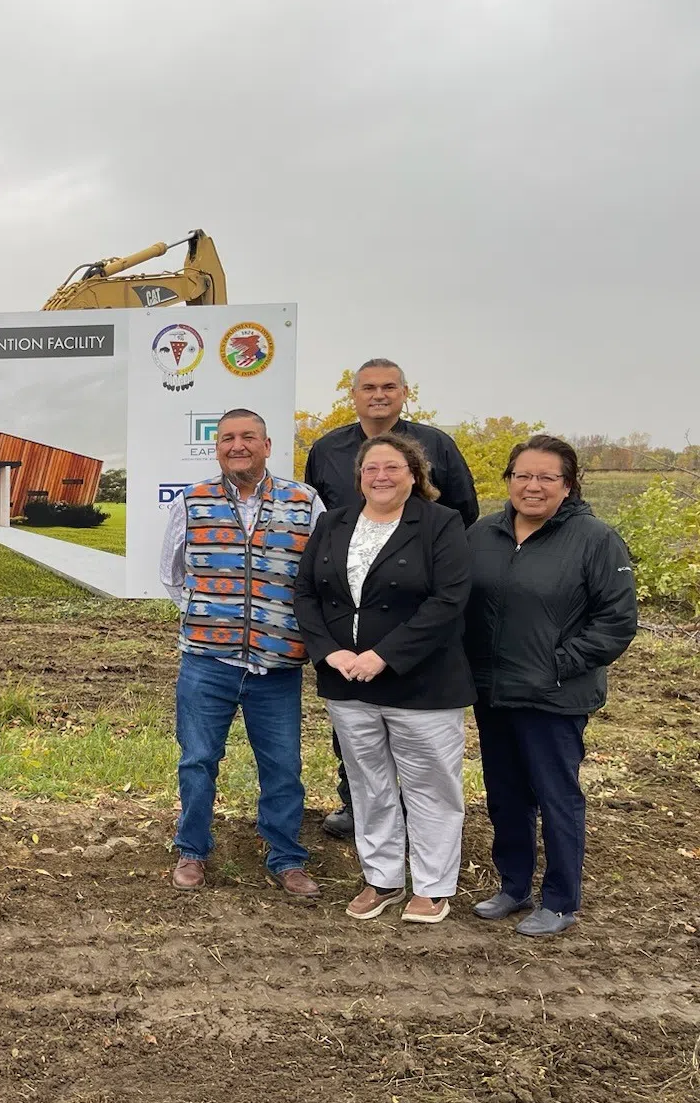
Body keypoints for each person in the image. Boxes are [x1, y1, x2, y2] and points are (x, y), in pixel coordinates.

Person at [294, 434, 475, 924]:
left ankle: (433, 887)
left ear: (414, 474)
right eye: (371, 468)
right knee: (368, 785)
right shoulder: (335, 522)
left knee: (430, 787)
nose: (381, 476)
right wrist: (328, 653)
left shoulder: (440, 524)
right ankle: (383, 879)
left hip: (422, 684)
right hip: (348, 684)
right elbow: (306, 592)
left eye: (392, 467)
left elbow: (449, 600)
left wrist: (383, 656)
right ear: (359, 477)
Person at [465, 435, 637, 936]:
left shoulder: (595, 540)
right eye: (522, 475)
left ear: (568, 485)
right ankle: (513, 886)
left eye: (547, 477)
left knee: (556, 795)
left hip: (554, 695)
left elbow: (617, 621)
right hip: (493, 692)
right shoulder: (482, 535)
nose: (532, 486)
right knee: (505, 794)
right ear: (509, 480)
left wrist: (557, 664)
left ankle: (561, 900)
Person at [304, 358, 480, 840]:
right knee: (356, 727)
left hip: (414, 599)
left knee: (417, 737)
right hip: (347, 609)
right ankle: (354, 803)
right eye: (367, 388)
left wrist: (435, 563)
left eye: (388, 387)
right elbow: (320, 522)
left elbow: (464, 511)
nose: (377, 395)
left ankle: (419, 824)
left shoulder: (437, 444)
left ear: (405, 393)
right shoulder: (325, 450)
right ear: (353, 395)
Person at [158, 408, 325, 898]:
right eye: (228, 438)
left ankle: (287, 857)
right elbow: (172, 573)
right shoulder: (193, 501)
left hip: (277, 666)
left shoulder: (304, 502)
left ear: (267, 445)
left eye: (248, 437)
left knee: (282, 766)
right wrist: (208, 616)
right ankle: (192, 850)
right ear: (217, 447)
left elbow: (318, 575)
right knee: (198, 760)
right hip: (207, 662)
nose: (238, 446)